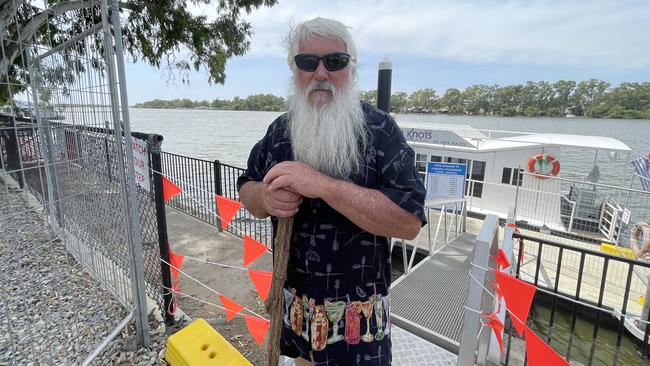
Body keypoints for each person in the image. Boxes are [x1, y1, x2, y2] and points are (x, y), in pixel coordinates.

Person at [237, 17, 426, 366]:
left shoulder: (381, 131)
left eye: (335, 61)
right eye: (308, 62)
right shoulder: (279, 131)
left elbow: (409, 221)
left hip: (359, 326)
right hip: (297, 315)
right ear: (295, 70)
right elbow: (246, 187)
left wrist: (322, 186)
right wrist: (263, 197)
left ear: (352, 69)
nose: (321, 73)